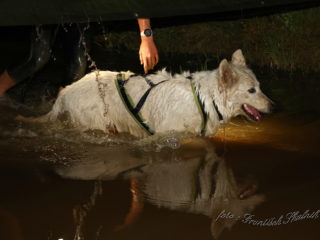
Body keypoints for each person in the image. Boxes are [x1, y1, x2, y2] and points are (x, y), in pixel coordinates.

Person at [0, 18, 159, 96]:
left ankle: (58, 112)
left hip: (77, 11)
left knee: (78, 63)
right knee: (38, 58)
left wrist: (146, 38)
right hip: (47, 7)